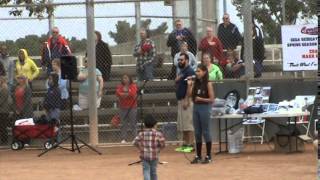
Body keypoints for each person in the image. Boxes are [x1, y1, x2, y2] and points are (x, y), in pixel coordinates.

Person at [187, 64, 215, 164]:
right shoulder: (195, 83)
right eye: (196, 71)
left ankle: (208, 155)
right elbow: (190, 95)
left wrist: (201, 99)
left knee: (206, 131)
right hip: (196, 107)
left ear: (204, 72)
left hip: (204, 107)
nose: (197, 73)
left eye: (199, 71)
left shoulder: (208, 83)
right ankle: (198, 155)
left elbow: (212, 99)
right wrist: (189, 85)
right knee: (197, 132)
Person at [133, 114, 165, 180]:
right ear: (154, 124)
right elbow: (163, 144)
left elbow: (134, 142)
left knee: (146, 171)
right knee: (153, 172)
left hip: (144, 156)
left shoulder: (141, 133)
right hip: (154, 156)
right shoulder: (158, 134)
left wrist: (140, 148)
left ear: (145, 125)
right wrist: (158, 149)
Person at [174, 53, 195, 152]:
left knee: (188, 123)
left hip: (187, 100)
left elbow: (190, 86)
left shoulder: (189, 71)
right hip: (181, 100)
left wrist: (187, 100)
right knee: (183, 124)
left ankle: (191, 144)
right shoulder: (182, 71)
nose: (179, 62)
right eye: (178, 60)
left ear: (187, 60)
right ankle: (186, 144)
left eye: (181, 60)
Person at [115, 74, 138, 143]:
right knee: (123, 124)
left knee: (133, 123)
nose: (125, 79)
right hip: (123, 107)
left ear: (129, 79)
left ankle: (135, 138)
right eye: (123, 78)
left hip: (132, 107)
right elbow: (117, 93)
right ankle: (123, 138)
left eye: (126, 78)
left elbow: (132, 94)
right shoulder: (120, 86)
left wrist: (123, 94)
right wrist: (127, 93)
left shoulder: (133, 86)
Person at [0, 76, 9, 145]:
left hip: (3, 110)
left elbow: (2, 100)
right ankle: (3, 139)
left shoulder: (4, 88)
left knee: (3, 125)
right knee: (2, 125)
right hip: (2, 109)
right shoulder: (2, 87)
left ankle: (4, 140)